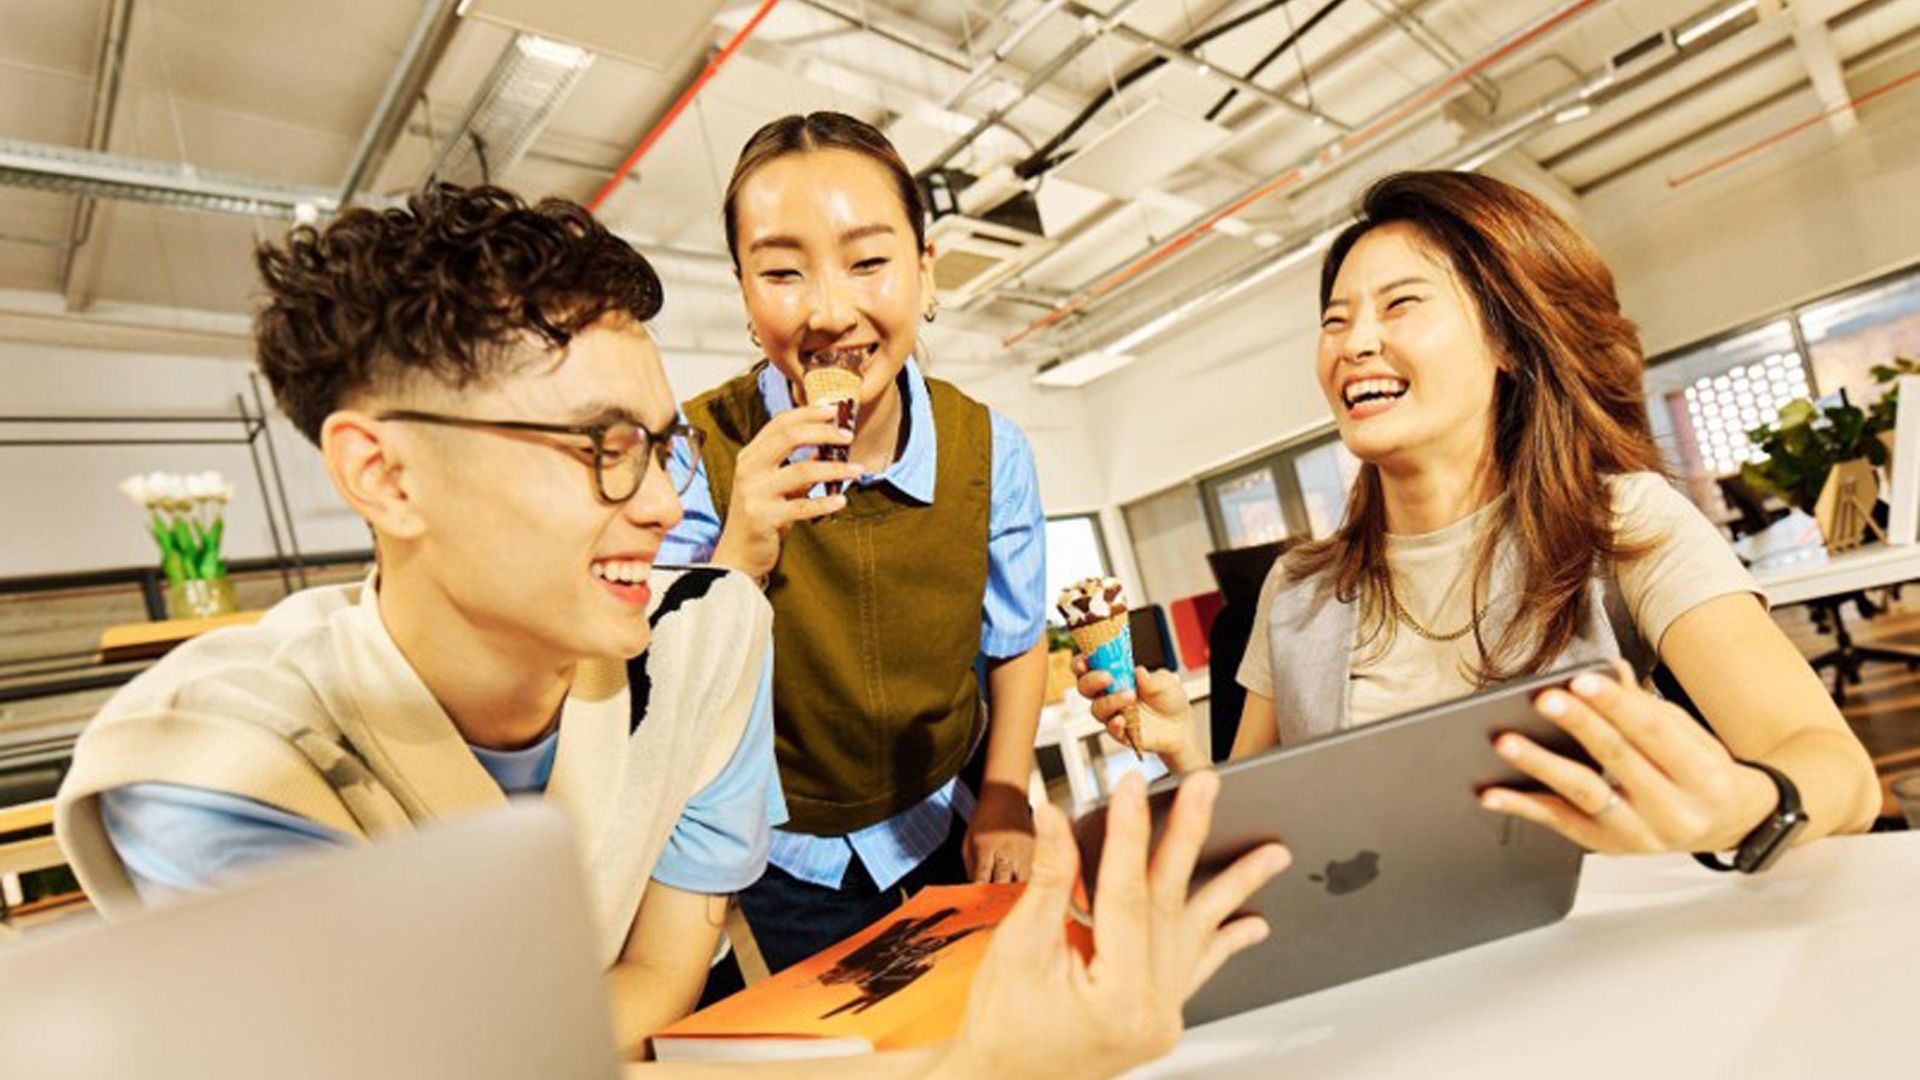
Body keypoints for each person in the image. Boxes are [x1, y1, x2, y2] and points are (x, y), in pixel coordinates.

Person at [50, 184, 1289, 1075]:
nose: (656, 501)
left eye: (653, 447)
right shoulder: (222, 761)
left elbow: (647, 997)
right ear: (383, 475)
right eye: (599, 449)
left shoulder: (704, 647)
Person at [1077, 170, 1881, 859]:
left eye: (1400, 306)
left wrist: (1742, 806)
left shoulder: (1624, 524)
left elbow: (1836, 773)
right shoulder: (1299, 590)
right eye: (1335, 318)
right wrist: (1186, 752)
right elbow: (1254, 827)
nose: (1354, 341)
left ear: (1506, 341)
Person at [664, 112, 1050, 971]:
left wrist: (1008, 792)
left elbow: (1016, 638)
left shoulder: (994, 450)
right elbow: (660, 689)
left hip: (950, 811)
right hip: (787, 853)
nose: (832, 312)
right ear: (742, 292)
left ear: (925, 271)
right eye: (781, 272)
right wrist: (739, 554)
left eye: (869, 260)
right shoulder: (690, 457)